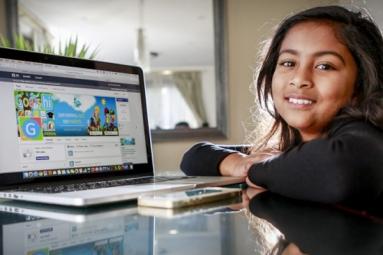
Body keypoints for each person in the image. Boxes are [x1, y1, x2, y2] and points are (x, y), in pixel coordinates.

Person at [180, 5, 383, 207]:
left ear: (360, 84)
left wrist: (254, 170)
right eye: (288, 63)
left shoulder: (366, 138)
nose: (299, 79)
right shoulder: (289, 148)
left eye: (324, 66)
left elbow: (338, 172)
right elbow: (195, 157)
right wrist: (238, 163)